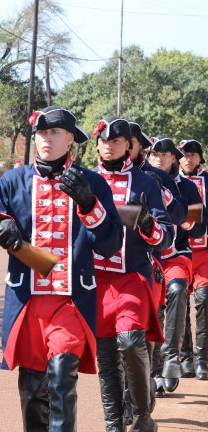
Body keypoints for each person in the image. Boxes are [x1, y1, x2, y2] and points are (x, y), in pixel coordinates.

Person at [0, 106, 123, 432]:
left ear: (70, 140)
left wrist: (89, 204)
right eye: (41, 133)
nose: (46, 139)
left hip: (71, 301)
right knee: (33, 387)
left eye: (54, 133)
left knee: (63, 376)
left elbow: (110, 245)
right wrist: (0, 223)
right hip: (27, 300)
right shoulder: (13, 181)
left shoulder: (92, 183)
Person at [91, 118, 172, 431]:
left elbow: (166, 236)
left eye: (118, 140)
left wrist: (149, 224)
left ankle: (141, 418)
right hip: (96, 279)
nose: (110, 145)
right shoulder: (88, 180)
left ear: (129, 145)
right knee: (107, 354)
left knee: (130, 339)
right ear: (97, 144)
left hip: (132, 276)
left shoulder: (147, 183)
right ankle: (114, 424)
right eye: (105, 140)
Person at [147, 137, 201, 395]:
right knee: (154, 308)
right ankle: (155, 370)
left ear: (174, 158)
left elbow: (198, 226)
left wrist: (170, 201)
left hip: (176, 254)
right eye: (155, 153)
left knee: (178, 290)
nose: (159, 157)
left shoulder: (188, 187)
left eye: (165, 154)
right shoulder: (141, 181)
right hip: (147, 257)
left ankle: (172, 357)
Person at [179, 139, 208, 380]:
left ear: (200, 157)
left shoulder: (207, 180)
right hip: (179, 250)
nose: (188, 159)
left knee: (203, 298)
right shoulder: (170, 180)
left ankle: (202, 358)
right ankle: (185, 356)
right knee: (178, 300)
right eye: (184, 155)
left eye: (192, 155)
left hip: (204, 252)